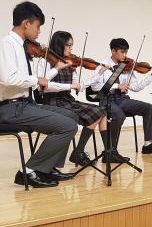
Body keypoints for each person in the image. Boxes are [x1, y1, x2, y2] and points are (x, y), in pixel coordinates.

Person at [0, 1, 78, 188]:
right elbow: (7, 79)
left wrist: (53, 71)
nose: (39, 32)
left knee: (71, 116)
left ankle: (48, 167)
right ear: (26, 23)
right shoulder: (7, 44)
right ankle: (28, 172)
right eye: (38, 26)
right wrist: (36, 79)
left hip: (24, 104)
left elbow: (35, 82)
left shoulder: (22, 46)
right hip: (11, 108)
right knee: (67, 126)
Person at [35, 31, 108, 166]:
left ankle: (86, 152)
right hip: (52, 102)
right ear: (59, 45)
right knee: (97, 113)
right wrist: (68, 83)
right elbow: (43, 87)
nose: (71, 49)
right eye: (68, 45)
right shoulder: (44, 62)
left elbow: (79, 86)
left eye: (71, 46)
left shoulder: (70, 63)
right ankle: (76, 154)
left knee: (101, 111)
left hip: (67, 100)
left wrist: (98, 74)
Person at [91, 38, 152, 160]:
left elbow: (136, 87)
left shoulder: (127, 67)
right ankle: (110, 151)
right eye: (122, 52)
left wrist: (151, 76)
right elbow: (95, 87)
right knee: (119, 115)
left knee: (148, 108)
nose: (125, 55)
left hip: (122, 99)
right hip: (107, 99)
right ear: (113, 51)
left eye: (126, 52)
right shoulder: (103, 65)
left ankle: (148, 144)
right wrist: (117, 86)